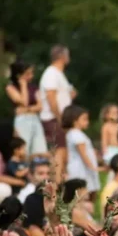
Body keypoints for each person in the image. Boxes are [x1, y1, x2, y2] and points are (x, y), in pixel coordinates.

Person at [39, 45, 77, 174]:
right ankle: (57, 184)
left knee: (64, 152)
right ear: (62, 56)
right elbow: (51, 98)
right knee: (59, 153)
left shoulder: (58, 74)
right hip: (53, 119)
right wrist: (60, 118)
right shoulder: (51, 73)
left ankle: (62, 182)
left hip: (58, 119)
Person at [6, 60, 48, 159]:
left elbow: (40, 106)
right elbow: (23, 101)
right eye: (27, 74)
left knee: (39, 150)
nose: (31, 76)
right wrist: (23, 85)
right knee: (23, 149)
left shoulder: (34, 87)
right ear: (19, 75)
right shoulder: (11, 88)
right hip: (22, 121)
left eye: (31, 73)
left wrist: (27, 109)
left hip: (35, 119)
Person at [63, 105, 101, 197]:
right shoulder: (76, 134)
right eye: (84, 119)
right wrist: (94, 168)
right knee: (84, 193)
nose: (87, 122)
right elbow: (83, 154)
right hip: (82, 169)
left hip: (81, 168)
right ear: (74, 120)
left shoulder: (73, 133)